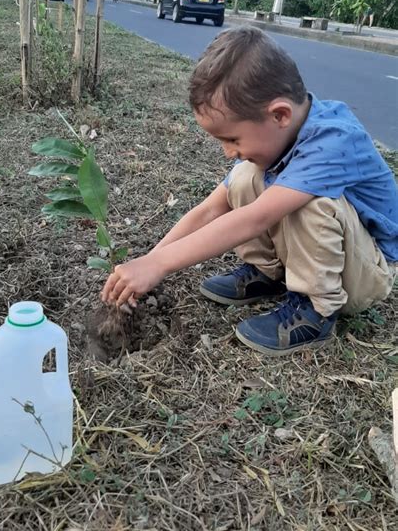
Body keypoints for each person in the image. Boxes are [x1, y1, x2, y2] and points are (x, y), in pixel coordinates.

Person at [102, 27, 397, 357]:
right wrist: (150, 260)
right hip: (336, 255)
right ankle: (266, 273)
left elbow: (256, 218)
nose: (228, 151)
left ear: (280, 114)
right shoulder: (285, 134)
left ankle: (316, 311)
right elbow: (210, 209)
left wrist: (161, 265)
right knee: (244, 177)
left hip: (364, 273)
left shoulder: (334, 141)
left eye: (232, 139)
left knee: (311, 202)